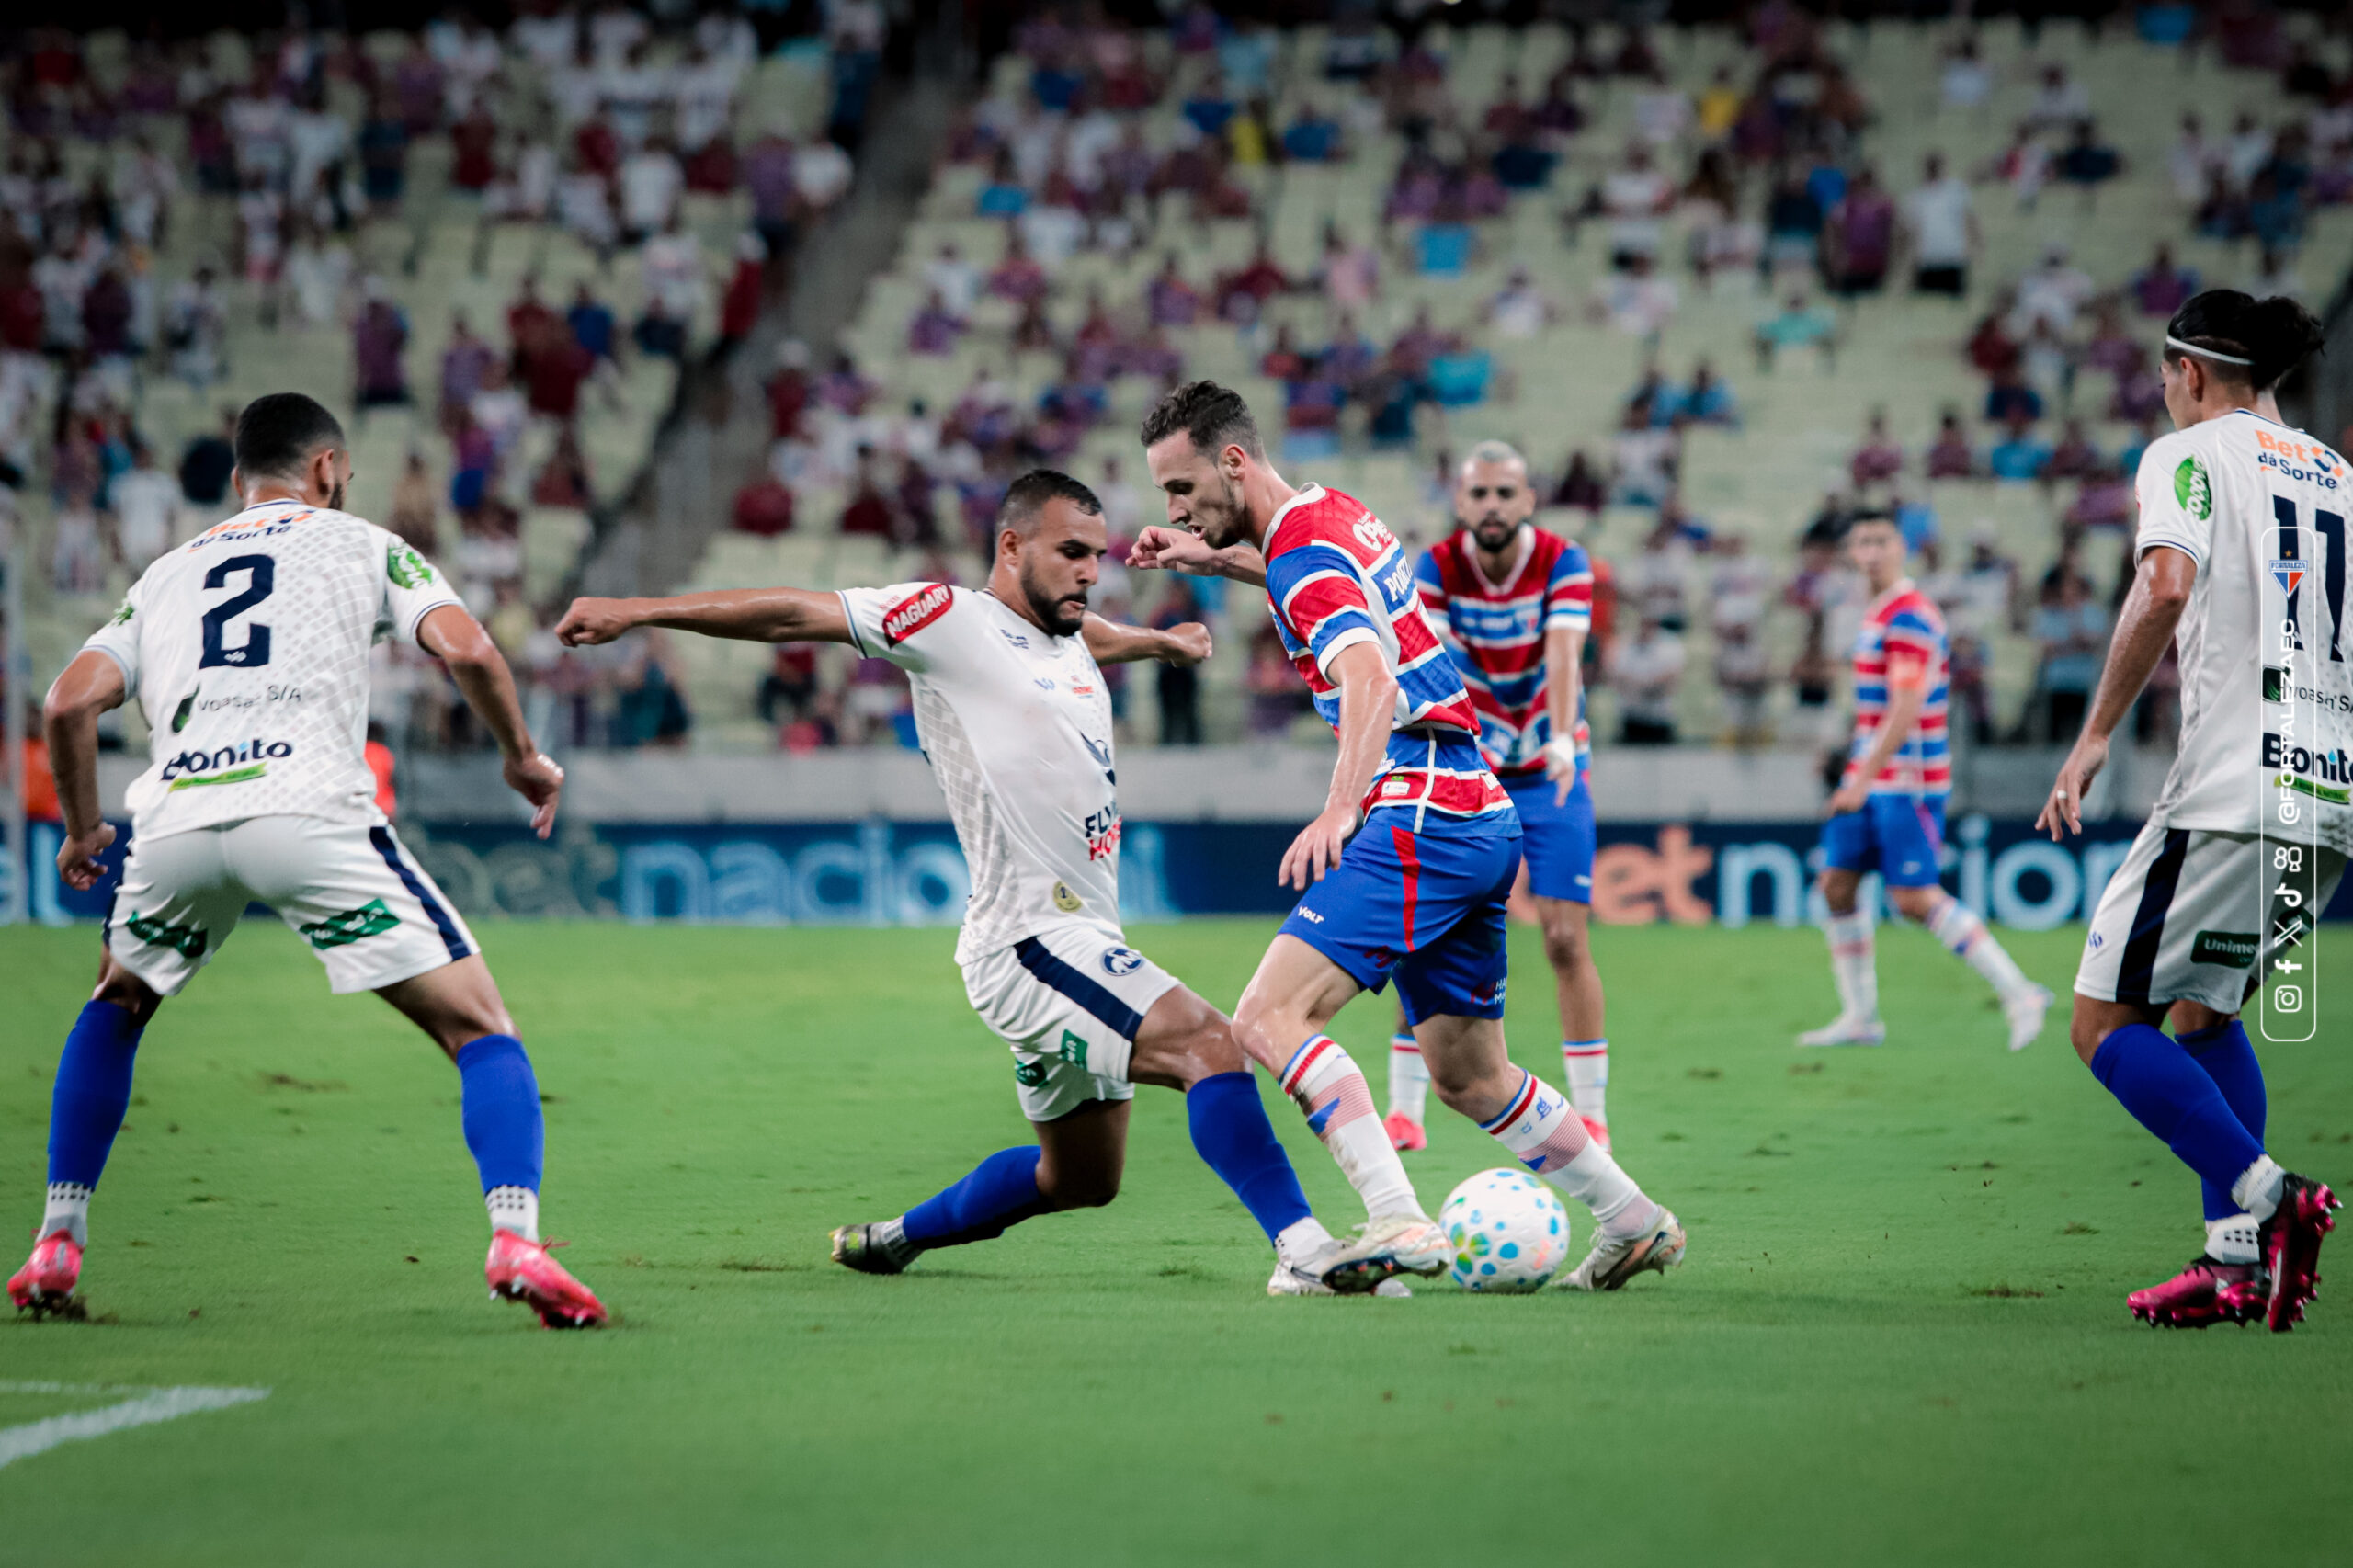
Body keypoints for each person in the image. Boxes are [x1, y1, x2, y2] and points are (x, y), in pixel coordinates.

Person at [554, 472, 1378, 1297]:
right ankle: (1303, 1251)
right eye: (1070, 554)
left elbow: (1091, 637)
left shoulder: (1064, 634)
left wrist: (1156, 643)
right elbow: (797, 614)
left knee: (1081, 1179)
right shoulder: (947, 621)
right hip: (1028, 941)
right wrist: (637, 613)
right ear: (1011, 546)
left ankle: (893, 1239)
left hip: (1081, 938)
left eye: (1097, 555)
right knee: (1210, 1044)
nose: (1091, 572)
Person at [7, 393, 604, 1330]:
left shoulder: (165, 572)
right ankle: (516, 1238)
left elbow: (65, 705)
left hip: (178, 820)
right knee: (481, 1027)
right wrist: (520, 754)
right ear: (326, 467)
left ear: (241, 474)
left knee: (116, 1003)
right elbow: (471, 649)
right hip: (308, 813)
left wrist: (85, 830)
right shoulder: (366, 545)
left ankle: (55, 1239)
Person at [1132, 382, 1685, 1293]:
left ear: (1232, 460)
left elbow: (1370, 676)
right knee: (1470, 1074)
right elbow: (1305, 572)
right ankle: (1633, 1219)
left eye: (1181, 486)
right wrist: (1206, 558)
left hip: (1418, 805)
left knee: (1268, 1017)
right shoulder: (1332, 514)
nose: (1174, 508)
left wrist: (1340, 805)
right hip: (1481, 811)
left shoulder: (1302, 553)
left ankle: (1396, 1216)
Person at [2037, 290, 2343, 1332]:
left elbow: (2164, 586)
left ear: (2190, 373)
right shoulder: (2339, 478)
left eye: (2164, 372)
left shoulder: (2191, 454)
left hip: (2230, 787)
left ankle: (2272, 1199)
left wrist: (2092, 736)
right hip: (2330, 791)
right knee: (2204, 1011)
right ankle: (2232, 1264)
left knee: (2098, 1022)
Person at [1387, 443, 1619, 1158]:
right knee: (1424, 931)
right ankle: (1404, 1113)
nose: (1491, 506)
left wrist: (1558, 736)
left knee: (1564, 939)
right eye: (1479, 494)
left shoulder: (1562, 560)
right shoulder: (1438, 565)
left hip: (1551, 766)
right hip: (1471, 765)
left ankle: (1592, 1117)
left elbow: (1563, 652)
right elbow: (1437, 663)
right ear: (1461, 504)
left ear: (1528, 501)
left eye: (1504, 494)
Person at [1800, 514, 2052, 1052]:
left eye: (1881, 540)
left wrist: (1861, 779)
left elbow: (1907, 705)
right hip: (1871, 776)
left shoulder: (1911, 616)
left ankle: (2020, 992)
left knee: (1913, 898)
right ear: (1850, 550)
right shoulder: (1874, 613)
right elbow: (1873, 707)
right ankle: (1861, 1017)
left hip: (1906, 781)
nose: (1870, 550)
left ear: (1902, 549)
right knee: (1837, 885)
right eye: (1861, 540)